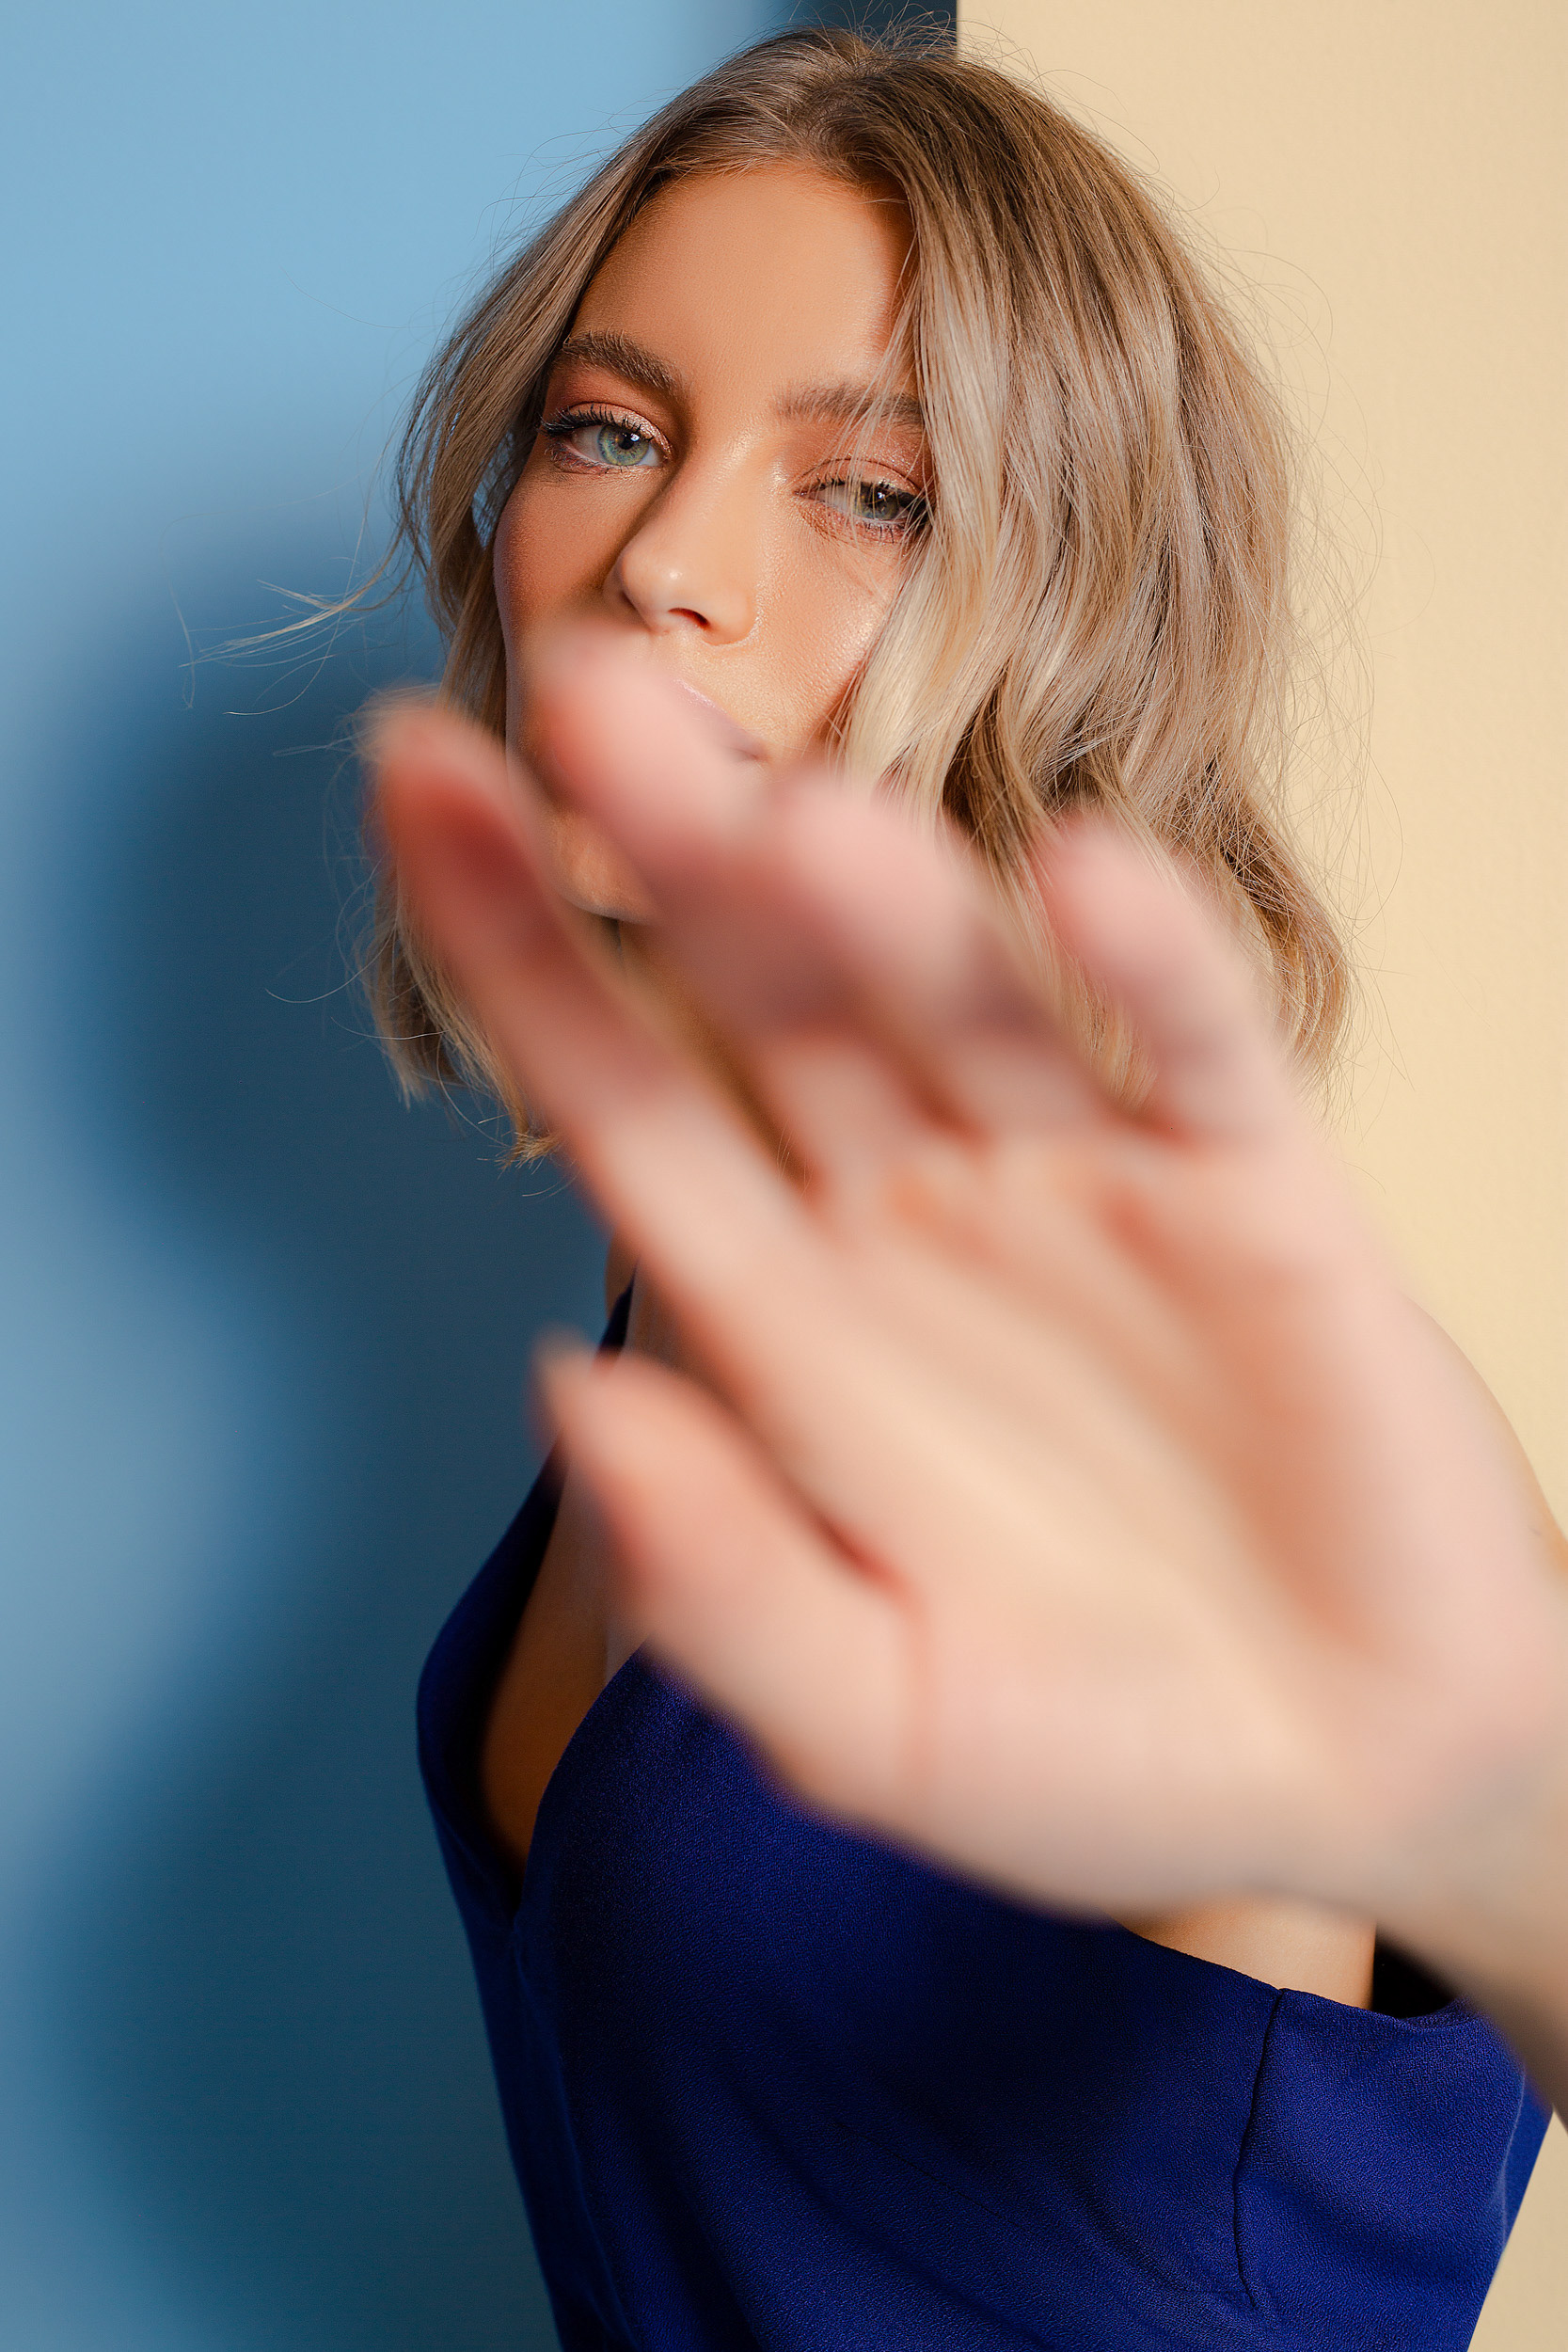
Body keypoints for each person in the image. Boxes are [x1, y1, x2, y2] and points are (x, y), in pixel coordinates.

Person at [365, 27, 1567, 2349]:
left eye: (870, 490)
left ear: (1079, 610)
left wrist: (1497, 1827)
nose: (665, 563)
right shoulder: (688, 1278)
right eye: (609, 432)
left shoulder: (1208, 1384)